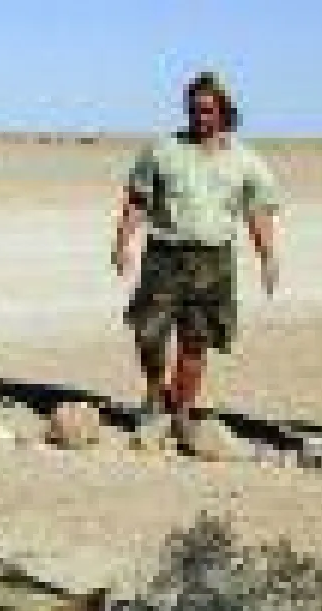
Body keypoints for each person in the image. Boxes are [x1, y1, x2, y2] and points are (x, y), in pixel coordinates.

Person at [111, 71, 282, 449]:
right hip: (164, 255)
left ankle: (183, 411)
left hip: (213, 259)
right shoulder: (161, 150)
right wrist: (122, 241)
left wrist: (267, 257)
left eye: (207, 110)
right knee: (149, 332)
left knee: (196, 340)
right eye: (193, 109)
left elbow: (258, 212)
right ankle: (156, 395)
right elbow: (138, 198)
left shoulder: (246, 161)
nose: (199, 117)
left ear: (224, 112)